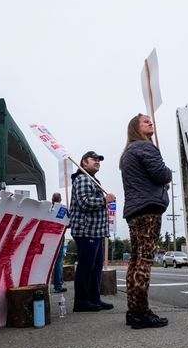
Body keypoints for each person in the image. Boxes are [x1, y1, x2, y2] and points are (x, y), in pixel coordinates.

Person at [120, 114, 172, 329]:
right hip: (148, 210)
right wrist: (168, 172)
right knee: (145, 260)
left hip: (134, 210)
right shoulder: (145, 147)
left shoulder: (128, 152)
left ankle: (133, 310)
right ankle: (141, 312)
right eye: (145, 121)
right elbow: (162, 174)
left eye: (151, 121)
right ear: (136, 127)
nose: (151, 123)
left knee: (135, 260)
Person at [69, 151, 116, 312]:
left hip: (96, 232)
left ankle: (94, 298)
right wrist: (105, 200)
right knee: (86, 267)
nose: (97, 162)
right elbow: (84, 202)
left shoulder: (92, 180)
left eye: (99, 160)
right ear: (83, 163)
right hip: (86, 231)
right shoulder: (82, 179)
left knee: (96, 267)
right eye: (93, 159)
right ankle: (81, 301)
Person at [51, 192, 67, 293]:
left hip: (48, 238)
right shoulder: (63, 209)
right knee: (58, 262)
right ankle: (58, 285)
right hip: (59, 237)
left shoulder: (48, 209)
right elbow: (68, 224)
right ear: (60, 200)